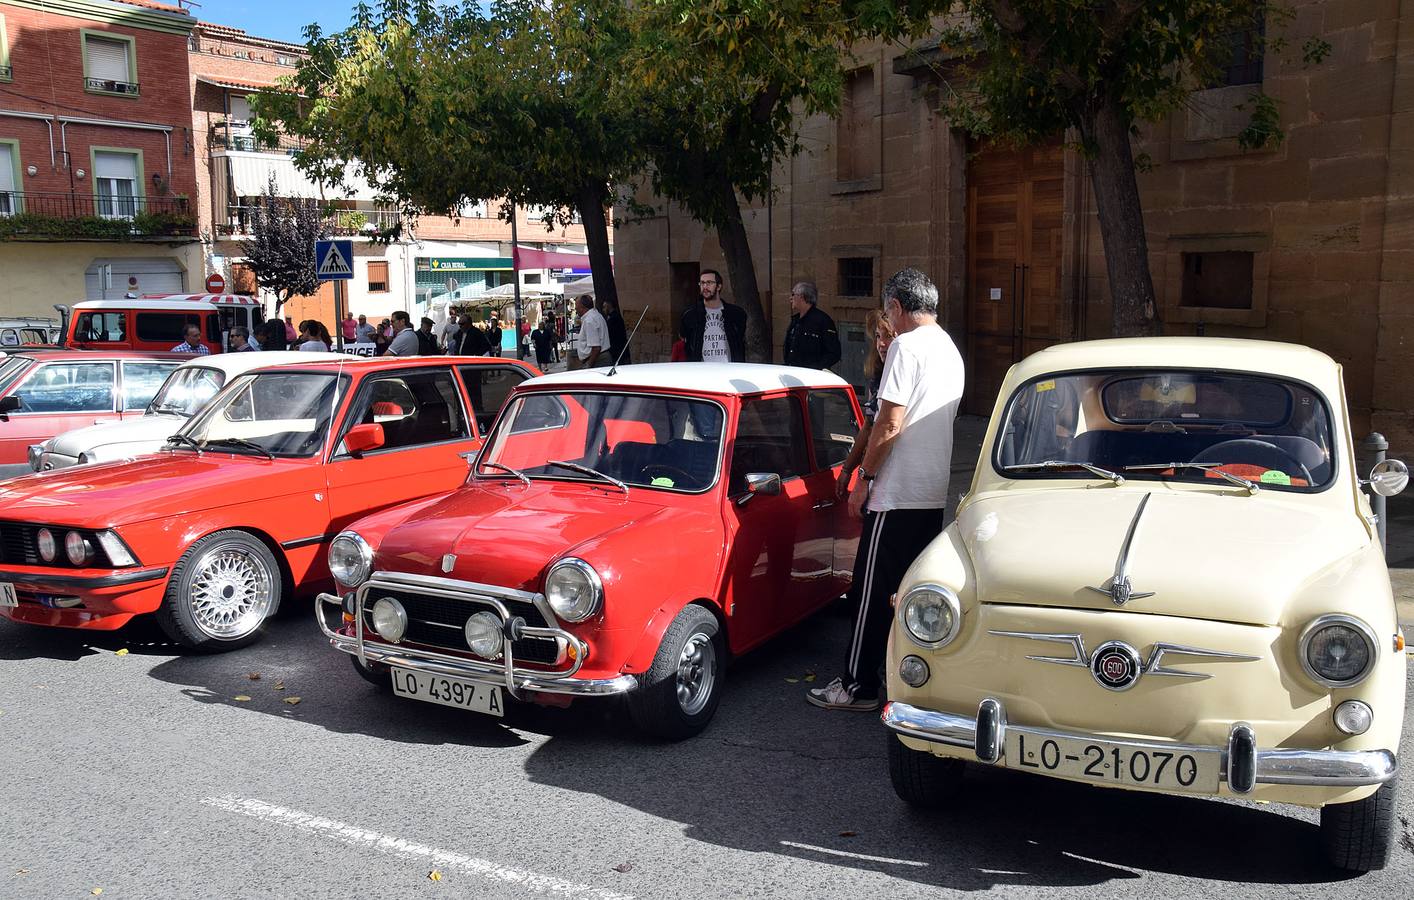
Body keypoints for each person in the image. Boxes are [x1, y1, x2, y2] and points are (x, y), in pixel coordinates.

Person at [807, 267, 964, 713]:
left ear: (896, 307)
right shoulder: (949, 348)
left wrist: (867, 478)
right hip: (931, 490)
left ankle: (856, 686)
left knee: (870, 594)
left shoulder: (906, 346)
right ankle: (896, 677)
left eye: (889, 313)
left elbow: (888, 422)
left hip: (897, 492)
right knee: (904, 594)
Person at [835, 309, 896, 498]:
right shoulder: (878, 375)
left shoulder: (901, 374)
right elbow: (868, 425)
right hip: (875, 472)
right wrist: (847, 470)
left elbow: (888, 426)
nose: (881, 344)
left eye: (889, 337)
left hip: (891, 475)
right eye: (878, 337)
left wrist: (861, 477)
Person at [680, 268, 745, 362]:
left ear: (719, 286)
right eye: (702, 283)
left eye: (709, 282)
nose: (705, 287)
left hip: (729, 369)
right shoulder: (690, 315)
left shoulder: (736, 314)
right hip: (702, 371)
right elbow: (685, 340)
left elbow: (740, 339)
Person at [782, 281, 841, 369]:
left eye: (793, 294)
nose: (791, 298)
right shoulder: (795, 320)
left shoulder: (822, 320)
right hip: (793, 372)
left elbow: (834, 353)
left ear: (801, 296)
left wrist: (816, 369)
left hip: (811, 375)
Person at [574, 295, 609, 368]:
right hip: (599, 358)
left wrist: (589, 365)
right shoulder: (595, 315)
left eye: (576, 307)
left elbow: (596, 348)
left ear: (582, 307)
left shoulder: (589, 320)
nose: (575, 309)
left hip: (598, 360)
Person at [601, 296, 630, 366]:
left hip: (618, 351)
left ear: (609, 306)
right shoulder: (613, 317)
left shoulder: (614, 318)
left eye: (605, 307)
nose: (603, 310)